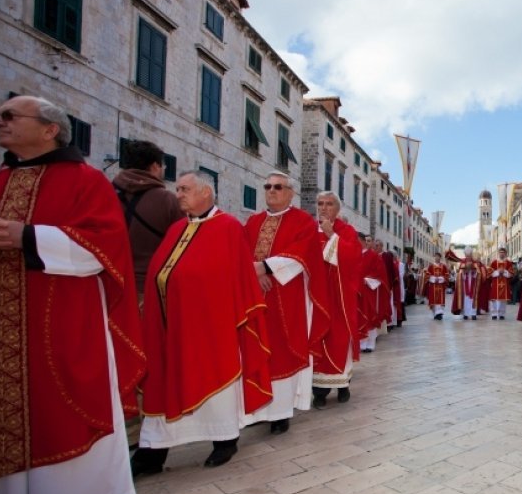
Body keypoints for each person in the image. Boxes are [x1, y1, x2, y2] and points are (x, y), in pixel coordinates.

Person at [0, 95, 146, 494]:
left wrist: (26, 236)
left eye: (10, 115)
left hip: (65, 322)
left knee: (68, 405)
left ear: (51, 129)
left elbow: (106, 246)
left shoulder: (87, 182)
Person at [131, 171, 272, 475]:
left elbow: (234, 278)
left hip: (211, 325)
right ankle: (152, 451)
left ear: (206, 193)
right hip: (169, 323)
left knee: (214, 378)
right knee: (163, 378)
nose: (178, 193)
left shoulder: (229, 227)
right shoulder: (176, 229)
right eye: (177, 187)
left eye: (185, 189)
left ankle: (224, 439)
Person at [244, 172, 329, 435]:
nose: (271, 191)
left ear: (291, 192)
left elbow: (303, 254)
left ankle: (280, 412)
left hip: (286, 295)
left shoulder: (303, 221)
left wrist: (266, 268)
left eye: (278, 187)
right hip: (254, 296)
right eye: (267, 186)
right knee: (255, 347)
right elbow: (239, 253)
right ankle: (257, 408)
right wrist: (254, 276)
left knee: (282, 348)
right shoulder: (252, 221)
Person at [112, 139, 184, 298]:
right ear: (155, 167)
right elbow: (182, 247)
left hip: (111, 284)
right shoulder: (167, 200)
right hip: (149, 289)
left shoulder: (107, 194)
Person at [312, 191, 362, 408]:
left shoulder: (346, 231)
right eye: (320, 204)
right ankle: (319, 392)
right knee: (316, 341)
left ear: (338, 209)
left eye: (329, 204)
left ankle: (343, 385)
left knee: (338, 340)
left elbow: (353, 258)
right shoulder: (308, 231)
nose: (323, 208)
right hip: (315, 296)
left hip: (338, 297)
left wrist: (332, 236)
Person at [358, 235, 387, 352]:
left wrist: (367, 280)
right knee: (360, 315)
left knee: (370, 315)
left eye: (368, 241)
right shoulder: (356, 255)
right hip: (358, 290)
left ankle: (370, 343)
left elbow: (380, 273)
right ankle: (361, 342)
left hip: (370, 290)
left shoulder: (374, 256)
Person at [451, 252, 482, 320]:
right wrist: (465, 271)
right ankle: (465, 314)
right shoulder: (462, 262)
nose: (468, 257)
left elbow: (478, 273)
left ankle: (473, 314)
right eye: (467, 255)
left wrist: (474, 271)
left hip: (474, 285)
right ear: (465, 255)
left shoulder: (475, 263)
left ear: (471, 255)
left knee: (473, 299)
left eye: (469, 255)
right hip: (465, 285)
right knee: (465, 299)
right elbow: (460, 274)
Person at [488, 247, 515, 319]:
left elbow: (511, 273)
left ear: (505, 254)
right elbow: (490, 272)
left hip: (504, 283)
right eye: (500, 252)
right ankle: (494, 314)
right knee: (494, 299)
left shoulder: (508, 263)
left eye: (503, 253)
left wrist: (504, 272)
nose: (502, 254)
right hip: (495, 283)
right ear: (498, 253)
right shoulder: (494, 262)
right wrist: (498, 272)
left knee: (503, 300)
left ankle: (501, 314)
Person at [422, 252, 449, 320]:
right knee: (433, 300)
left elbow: (446, 275)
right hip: (433, 285)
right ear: (435, 257)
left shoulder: (443, 266)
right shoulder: (431, 266)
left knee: (439, 300)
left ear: (440, 257)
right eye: (436, 256)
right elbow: (427, 276)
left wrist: (440, 279)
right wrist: (434, 279)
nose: (437, 258)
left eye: (438, 256)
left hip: (440, 286)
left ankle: (439, 313)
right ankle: (435, 313)